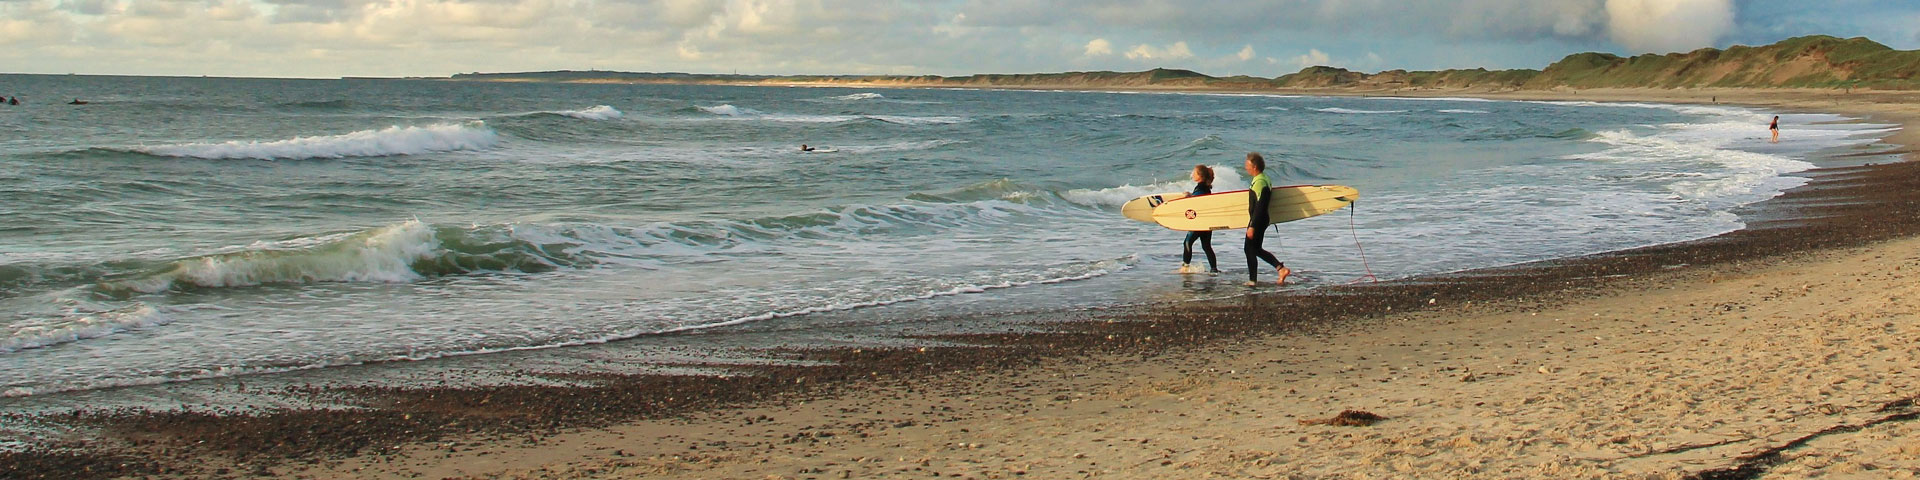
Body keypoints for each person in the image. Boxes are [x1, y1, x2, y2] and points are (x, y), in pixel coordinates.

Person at [1243, 152, 1289, 286]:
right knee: (1256, 249)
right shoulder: (1263, 179)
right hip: (1261, 219)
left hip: (1258, 220)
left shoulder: (1260, 182)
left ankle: (1252, 280)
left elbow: (1260, 206)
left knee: (1249, 249)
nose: (1246, 168)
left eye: (1247, 165)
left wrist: (1252, 225)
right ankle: (1281, 269)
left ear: (1255, 167)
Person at [1179, 165, 1220, 275]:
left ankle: (1185, 267)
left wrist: (1189, 196)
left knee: (1187, 242)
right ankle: (1214, 269)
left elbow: (1199, 199)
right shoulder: (1204, 187)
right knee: (1206, 246)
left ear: (1200, 176)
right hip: (1206, 222)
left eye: (1194, 172)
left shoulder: (1201, 187)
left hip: (1199, 223)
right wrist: (1191, 195)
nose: (1192, 174)